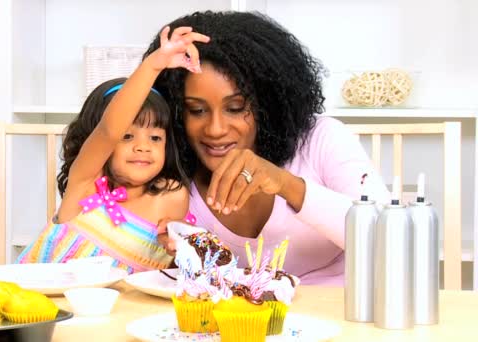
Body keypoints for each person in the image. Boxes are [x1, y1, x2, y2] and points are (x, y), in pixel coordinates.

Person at [146, 11, 389, 285]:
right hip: (239, 325)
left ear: (267, 105)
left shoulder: (321, 139)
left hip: (343, 315)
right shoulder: (170, 177)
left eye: (236, 108)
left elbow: (391, 239)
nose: (215, 129)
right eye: (197, 110)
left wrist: (286, 184)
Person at [16, 26, 209, 273]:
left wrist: (176, 244)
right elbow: (109, 130)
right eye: (127, 136)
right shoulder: (84, 185)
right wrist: (153, 66)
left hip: (124, 310)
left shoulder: (171, 196)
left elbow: (166, 269)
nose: (143, 147)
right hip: (45, 306)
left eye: (155, 137)